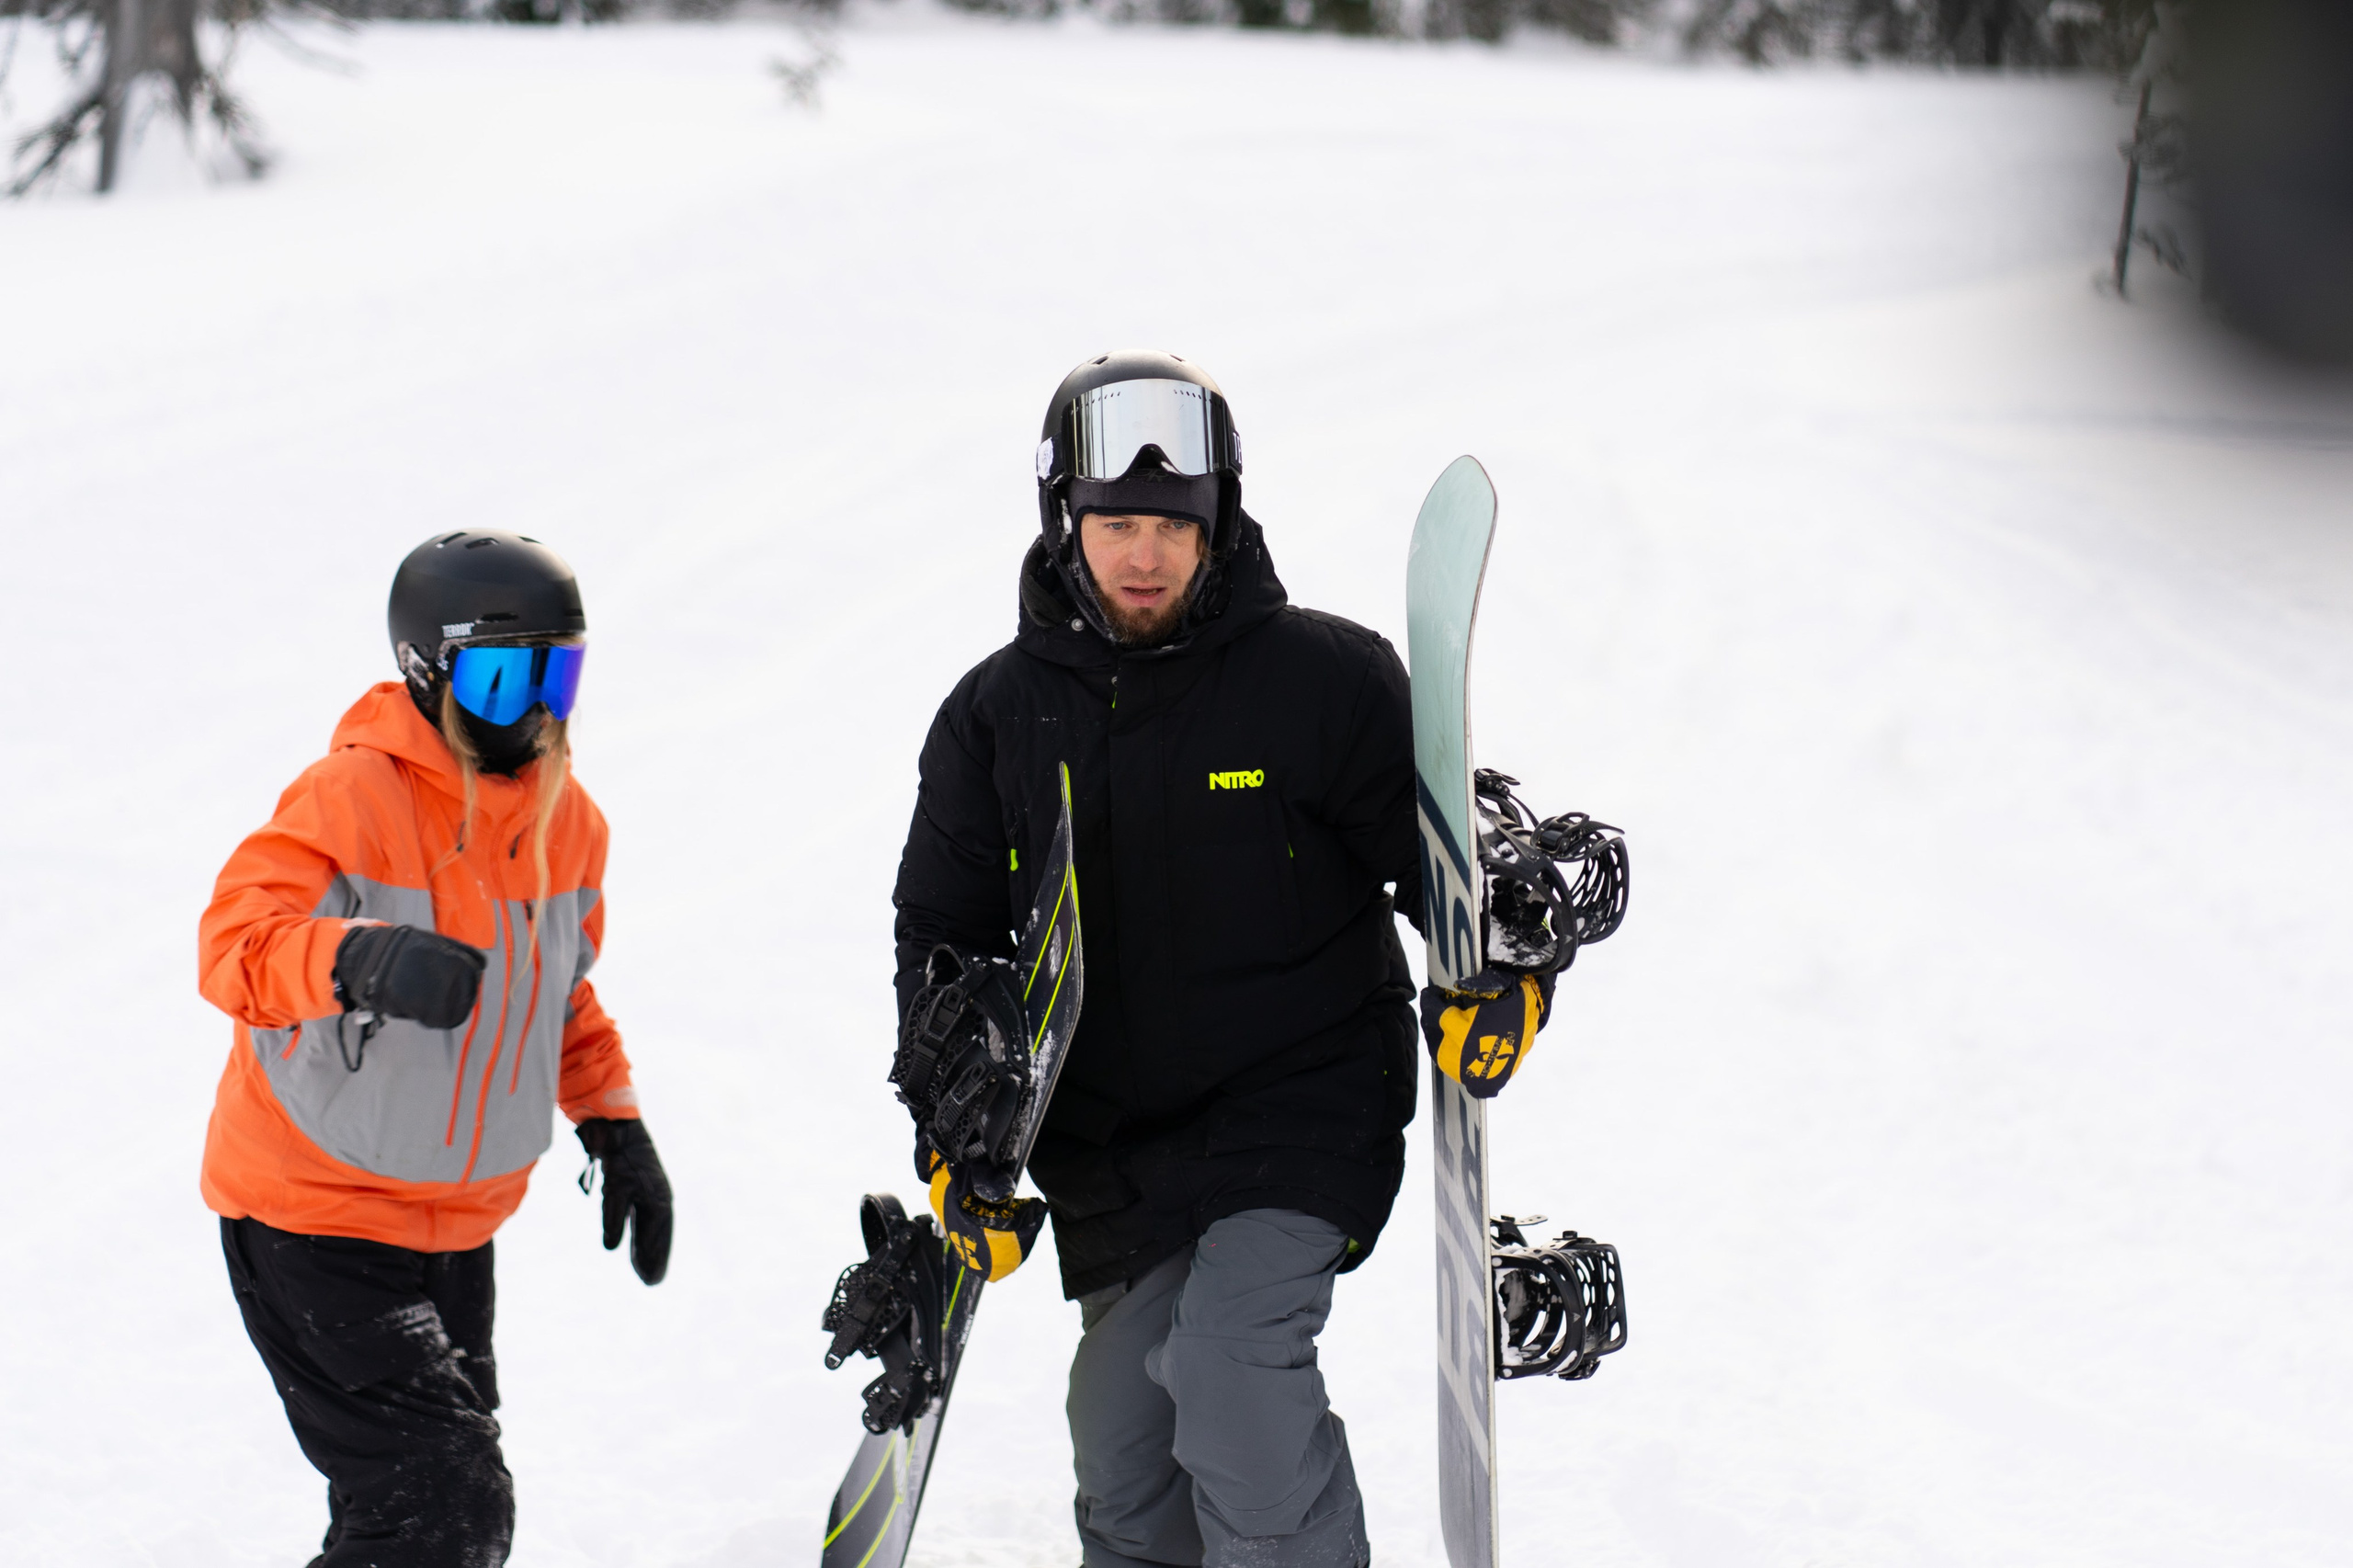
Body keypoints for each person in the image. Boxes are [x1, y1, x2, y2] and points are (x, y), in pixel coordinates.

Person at [890, 352, 1552, 1568]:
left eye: (1175, 527)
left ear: (1219, 523)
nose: (1146, 555)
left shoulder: (1322, 681)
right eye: (1117, 524)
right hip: (1114, 1144)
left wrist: (1511, 961)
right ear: (1064, 522)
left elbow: (1452, 863)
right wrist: (959, 1126)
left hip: (1302, 1103)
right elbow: (941, 935)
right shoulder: (995, 717)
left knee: (1231, 1364)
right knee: (1125, 1440)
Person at [197, 530, 673, 1568]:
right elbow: (234, 947)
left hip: (453, 1229)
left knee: (414, 1510)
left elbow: (557, 994)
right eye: (507, 677)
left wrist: (613, 1118)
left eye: (562, 670)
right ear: (429, 670)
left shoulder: (568, 819)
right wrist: (360, 958)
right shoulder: (349, 797)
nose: (540, 706)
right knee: (445, 1508)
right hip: (313, 1216)